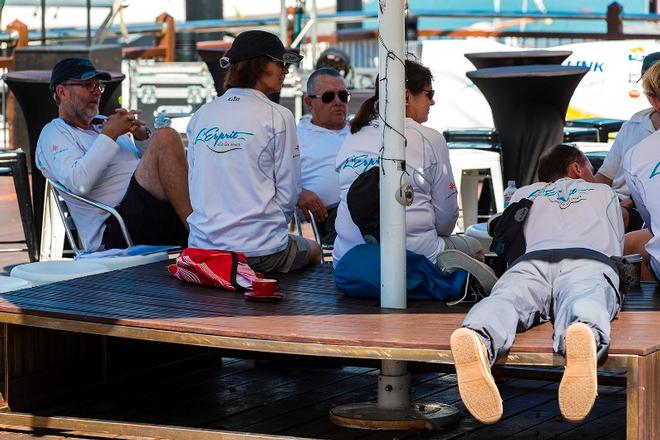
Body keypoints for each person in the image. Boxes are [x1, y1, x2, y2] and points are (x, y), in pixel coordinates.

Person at [450, 143, 624, 425]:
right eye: (591, 169)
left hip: (532, 261)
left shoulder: (524, 192)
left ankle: (478, 334)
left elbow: (498, 227)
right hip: (587, 259)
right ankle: (583, 332)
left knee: (506, 299)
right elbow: (617, 241)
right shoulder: (603, 191)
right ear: (577, 168)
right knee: (585, 296)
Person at [333, 58, 497, 292]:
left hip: (346, 261)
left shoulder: (354, 133)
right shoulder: (430, 138)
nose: (433, 101)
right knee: (474, 246)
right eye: (429, 94)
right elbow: (447, 220)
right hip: (413, 259)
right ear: (407, 96)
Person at [186, 30, 321, 273]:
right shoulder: (279, 115)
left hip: (203, 251)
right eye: (280, 62)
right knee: (315, 250)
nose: (286, 70)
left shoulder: (201, 116)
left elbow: (195, 183)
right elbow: (289, 192)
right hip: (259, 254)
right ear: (259, 64)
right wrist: (265, 232)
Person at [36, 57, 191, 251]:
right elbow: (79, 183)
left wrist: (142, 138)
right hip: (115, 228)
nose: (96, 91)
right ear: (62, 92)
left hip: (146, 213)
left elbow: (148, 169)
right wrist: (110, 135)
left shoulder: (103, 123)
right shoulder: (54, 133)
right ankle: (200, 237)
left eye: (98, 85)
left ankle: (208, 234)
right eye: (87, 85)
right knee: (166, 136)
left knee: (208, 161)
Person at [594, 51, 660, 231]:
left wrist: (625, 206)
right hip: (616, 206)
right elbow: (604, 176)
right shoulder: (634, 123)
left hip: (636, 211)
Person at [297, 67, 350, 245]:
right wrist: (298, 193)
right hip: (331, 218)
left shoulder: (362, 131)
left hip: (377, 209)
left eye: (343, 96)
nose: (338, 102)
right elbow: (272, 180)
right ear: (309, 102)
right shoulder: (294, 137)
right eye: (328, 97)